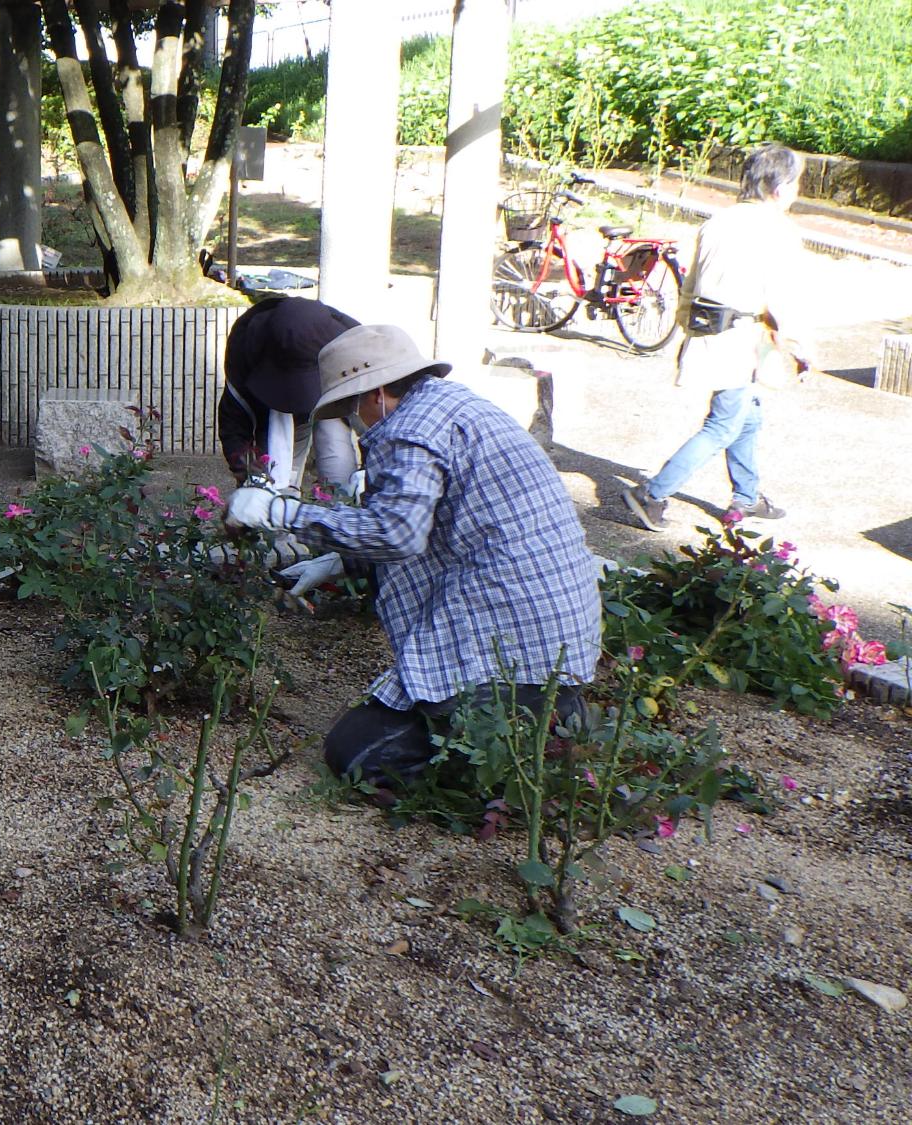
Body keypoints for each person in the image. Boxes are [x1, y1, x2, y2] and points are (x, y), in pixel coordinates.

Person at [227, 324, 602, 783]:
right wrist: (339, 559)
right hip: (555, 628)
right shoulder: (451, 406)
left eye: (351, 405)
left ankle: (517, 756)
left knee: (356, 755)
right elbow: (434, 519)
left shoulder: (408, 431)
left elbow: (397, 534)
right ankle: (547, 713)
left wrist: (279, 510)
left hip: (513, 631)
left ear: (378, 391)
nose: (353, 418)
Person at [623, 143, 814, 530]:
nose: (796, 192)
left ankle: (746, 496)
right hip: (743, 338)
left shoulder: (717, 222)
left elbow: (689, 287)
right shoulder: (780, 231)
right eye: (796, 184)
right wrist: (799, 351)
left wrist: (688, 332)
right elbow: (785, 299)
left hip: (711, 332)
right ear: (780, 187)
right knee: (723, 424)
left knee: (747, 416)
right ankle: (652, 494)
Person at [217, 296, 362, 493]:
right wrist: (246, 473)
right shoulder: (247, 350)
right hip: (273, 415)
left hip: (333, 404)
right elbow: (234, 416)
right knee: (272, 486)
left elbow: (375, 424)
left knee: (339, 471)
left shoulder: (354, 349)